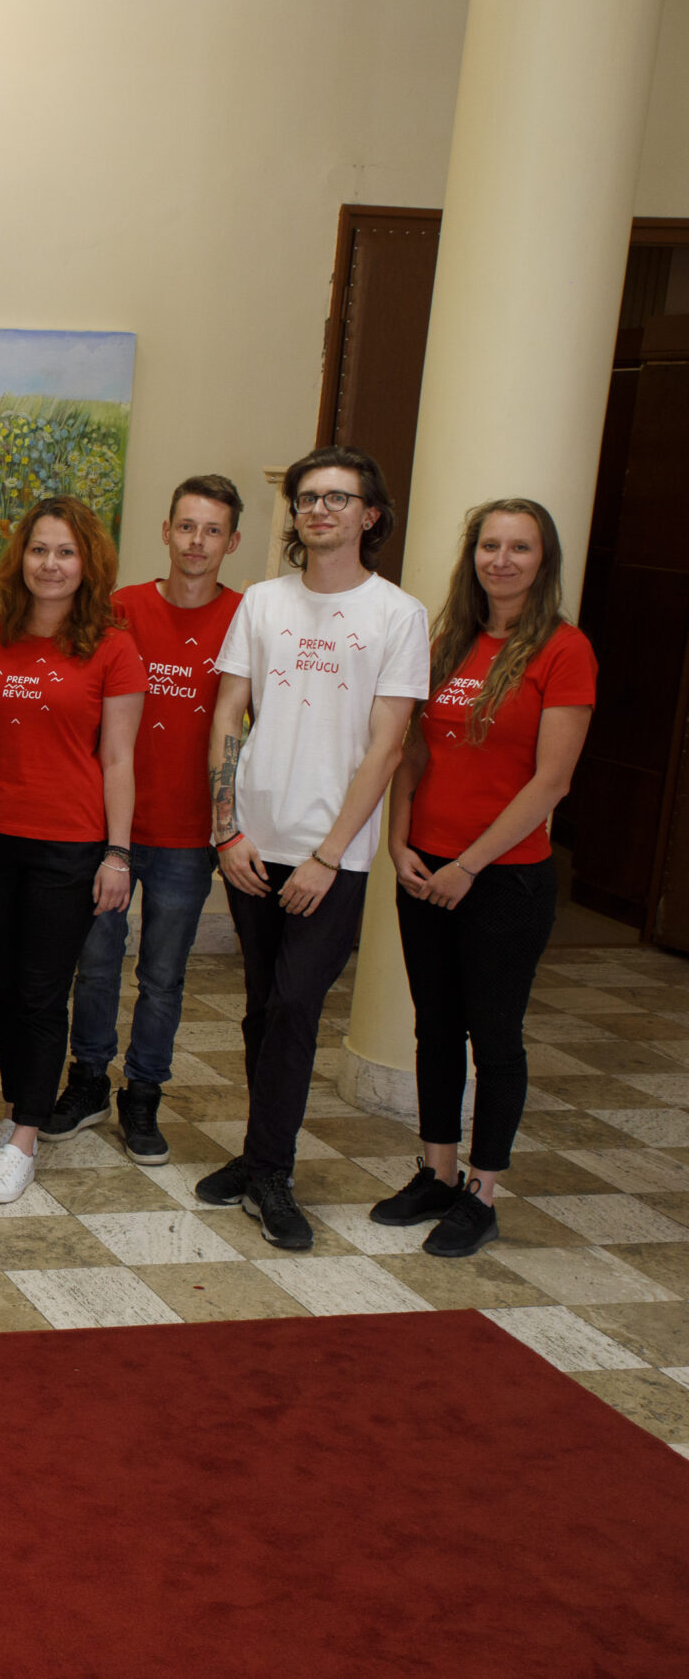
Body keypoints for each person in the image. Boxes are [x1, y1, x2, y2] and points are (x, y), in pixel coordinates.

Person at [200, 445, 427, 1249]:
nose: (319, 510)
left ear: (370, 514)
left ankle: (272, 1171)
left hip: (335, 854)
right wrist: (226, 827)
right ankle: (260, 1152)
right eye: (307, 498)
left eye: (337, 498)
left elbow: (388, 746)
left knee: (297, 1002)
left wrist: (329, 855)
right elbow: (228, 714)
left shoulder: (398, 614)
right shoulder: (263, 603)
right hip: (252, 840)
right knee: (263, 1003)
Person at [378, 498, 595, 1257]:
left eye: (519, 547)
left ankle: (481, 1192)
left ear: (544, 560)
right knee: (435, 1026)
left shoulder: (565, 651)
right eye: (489, 545)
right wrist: (399, 842)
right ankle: (436, 1171)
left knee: (494, 1037)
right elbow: (413, 752)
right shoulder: (448, 644)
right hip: (424, 868)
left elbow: (551, 781)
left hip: (504, 881)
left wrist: (469, 864)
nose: (501, 560)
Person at [0, 498, 145, 1208]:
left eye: (66, 552)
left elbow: (119, 759)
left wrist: (118, 853)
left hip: (69, 844)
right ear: (21, 558)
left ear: (87, 563)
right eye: (39, 549)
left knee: (40, 990)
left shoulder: (113, 647)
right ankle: (18, 1112)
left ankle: (27, 1139)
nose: (51, 564)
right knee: (10, 986)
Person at [53, 475, 245, 1165]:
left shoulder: (244, 618)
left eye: (212, 530)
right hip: (110, 828)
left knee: (163, 975)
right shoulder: (120, 609)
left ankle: (144, 1091)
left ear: (232, 542)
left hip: (188, 836)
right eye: (186, 526)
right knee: (97, 963)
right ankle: (88, 1080)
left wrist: (229, 824)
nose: (196, 542)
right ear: (166, 531)